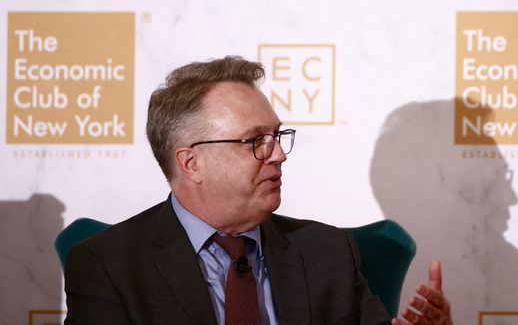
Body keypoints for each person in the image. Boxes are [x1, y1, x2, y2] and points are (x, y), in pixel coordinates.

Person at [64, 56, 452, 325]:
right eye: (255, 141)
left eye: (277, 136)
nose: (279, 154)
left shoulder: (327, 252)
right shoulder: (108, 265)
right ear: (190, 163)